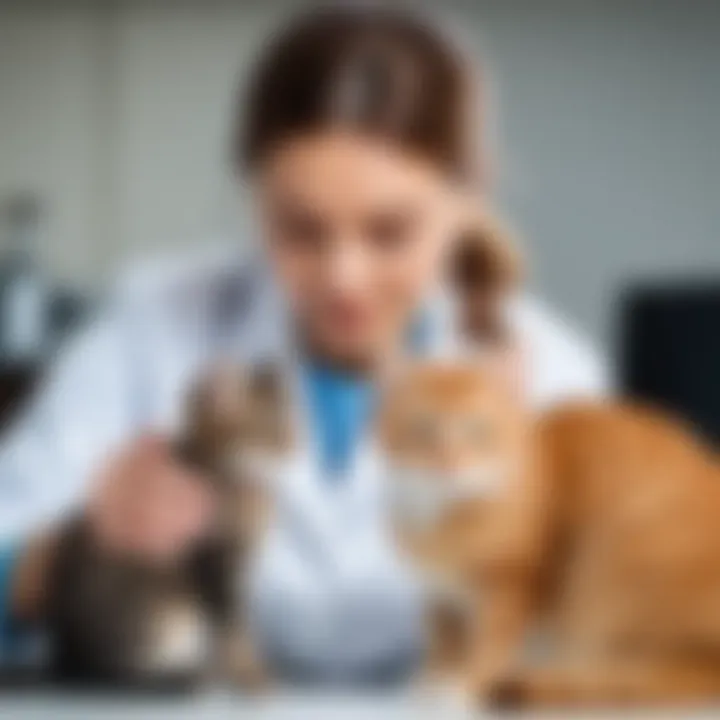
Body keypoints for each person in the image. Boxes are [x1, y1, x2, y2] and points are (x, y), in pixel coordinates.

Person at [0, 6, 605, 683]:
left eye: (390, 233)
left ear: (468, 199)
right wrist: (59, 558)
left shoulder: (554, 372)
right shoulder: (155, 328)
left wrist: (526, 522)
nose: (343, 277)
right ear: (254, 195)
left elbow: (623, 633)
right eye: (300, 231)